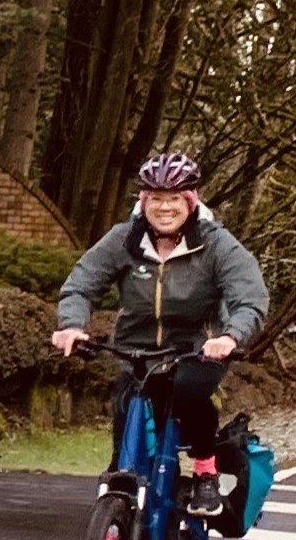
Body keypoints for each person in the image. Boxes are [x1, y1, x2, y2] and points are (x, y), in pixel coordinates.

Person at [51, 152, 268, 517]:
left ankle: (204, 471)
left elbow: (250, 298)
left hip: (196, 349)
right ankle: (116, 520)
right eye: (155, 198)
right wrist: (72, 325)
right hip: (135, 351)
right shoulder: (124, 240)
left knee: (187, 391)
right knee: (124, 431)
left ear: (190, 201)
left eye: (173, 199)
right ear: (143, 201)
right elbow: (81, 285)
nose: (164, 207)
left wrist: (230, 337)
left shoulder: (216, 244)